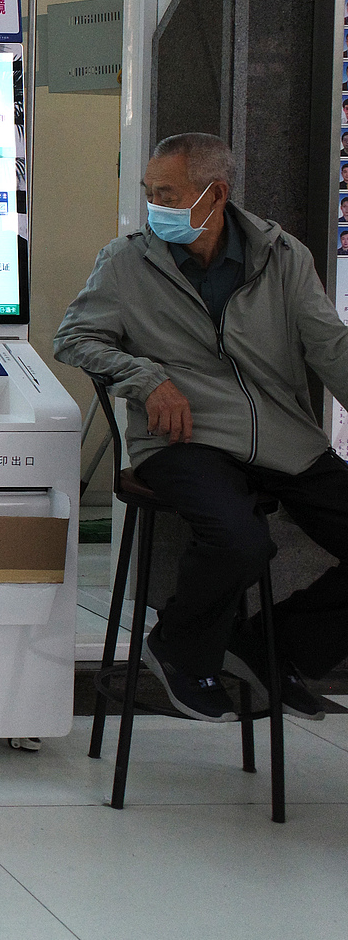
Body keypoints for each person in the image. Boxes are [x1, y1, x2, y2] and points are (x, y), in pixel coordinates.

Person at [54, 132, 348, 721]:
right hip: (182, 437)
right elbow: (75, 338)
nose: (154, 206)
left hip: (280, 436)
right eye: (150, 192)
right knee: (240, 540)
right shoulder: (127, 261)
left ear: (215, 194)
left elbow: (330, 346)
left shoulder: (281, 256)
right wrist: (144, 375)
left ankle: (267, 650)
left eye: (167, 193)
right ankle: (178, 649)